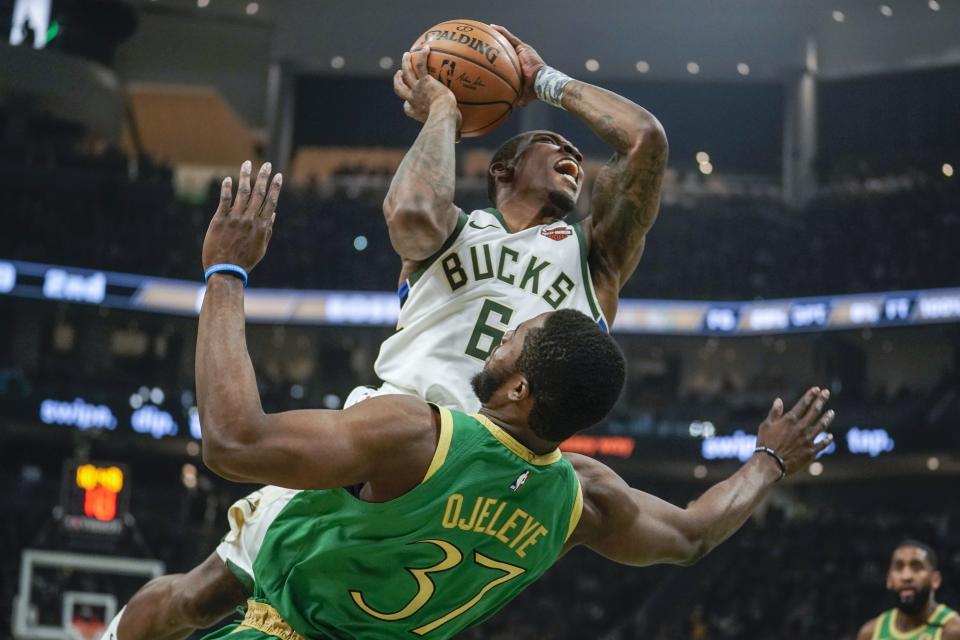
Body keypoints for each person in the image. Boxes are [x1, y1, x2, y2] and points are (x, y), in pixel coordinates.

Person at [105, 18, 669, 637]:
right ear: (503, 170)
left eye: (576, 152)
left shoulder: (595, 257)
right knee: (206, 593)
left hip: (482, 483)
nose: (574, 156)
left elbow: (644, 141)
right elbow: (408, 210)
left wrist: (544, 81)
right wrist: (445, 113)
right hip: (388, 446)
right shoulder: (452, 227)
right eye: (552, 145)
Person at [130, 165, 831, 639]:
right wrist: (769, 461)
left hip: (280, 630)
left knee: (200, 592)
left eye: (515, 337)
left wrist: (226, 271)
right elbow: (690, 536)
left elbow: (231, 442)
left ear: (521, 387)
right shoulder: (579, 496)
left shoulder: (415, 432)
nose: (498, 338)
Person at [856, 541, 959, 640]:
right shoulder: (870, 633)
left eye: (917, 567)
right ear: (889, 580)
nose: (906, 576)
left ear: (935, 579)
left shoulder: (953, 631)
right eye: (899, 567)